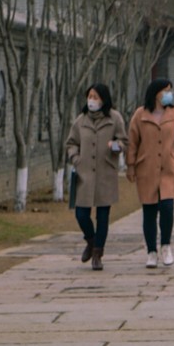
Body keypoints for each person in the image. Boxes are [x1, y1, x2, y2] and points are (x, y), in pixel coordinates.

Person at [126, 77, 174, 267]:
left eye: (170, 90)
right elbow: (132, 143)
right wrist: (130, 166)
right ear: (155, 93)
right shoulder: (140, 115)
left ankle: (166, 245)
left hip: (168, 168)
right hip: (146, 169)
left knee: (167, 208)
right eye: (165, 90)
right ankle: (151, 251)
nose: (168, 94)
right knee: (149, 212)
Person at [66, 82, 126, 271]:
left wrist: (115, 146)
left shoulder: (114, 118)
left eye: (95, 97)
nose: (92, 100)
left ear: (103, 99)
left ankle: (98, 253)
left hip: (105, 173)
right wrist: (75, 158)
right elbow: (71, 143)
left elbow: (124, 141)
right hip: (84, 174)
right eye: (90, 96)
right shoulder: (81, 120)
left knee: (102, 215)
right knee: (81, 214)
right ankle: (90, 242)